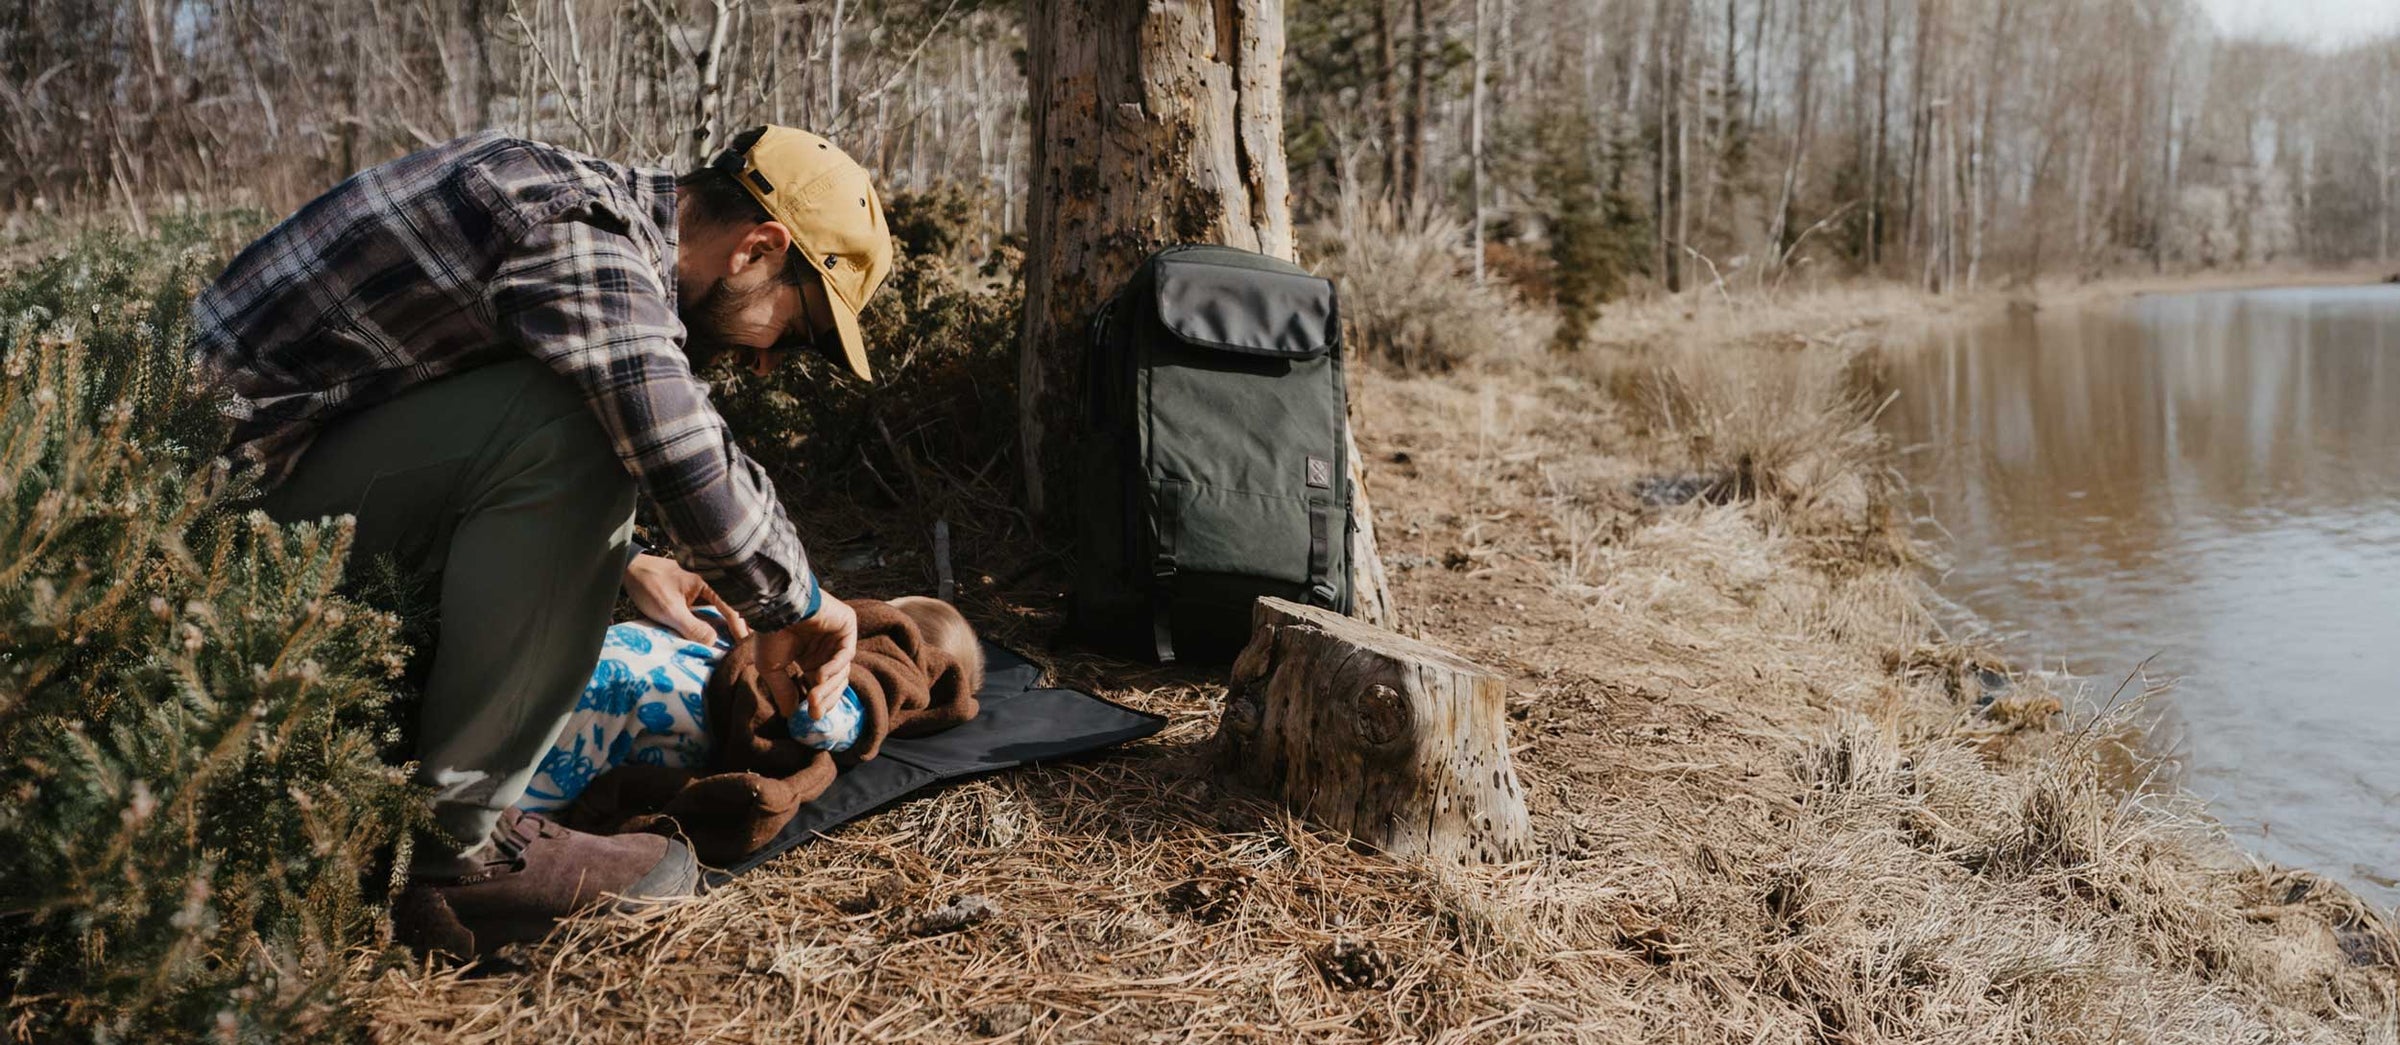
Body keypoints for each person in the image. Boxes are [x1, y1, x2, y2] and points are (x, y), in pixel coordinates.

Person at [189, 124, 893, 953]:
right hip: (202, 544)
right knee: (588, 425)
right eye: (799, 329)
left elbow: (442, 431)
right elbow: (675, 444)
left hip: (245, 502)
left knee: (579, 413)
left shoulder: (566, 205)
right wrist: (801, 603)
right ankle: (456, 849)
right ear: (755, 250)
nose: (772, 364)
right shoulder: (577, 227)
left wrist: (622, 560)